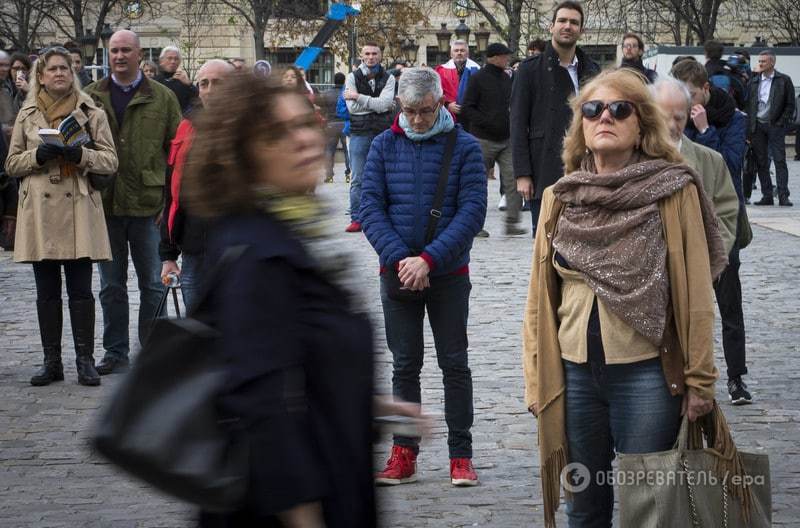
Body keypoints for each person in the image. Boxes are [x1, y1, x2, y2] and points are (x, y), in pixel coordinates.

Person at [522, 68, 726, 527]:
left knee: (648, 507)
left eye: (620, 109)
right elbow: (539, 299)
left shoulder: (673, 192)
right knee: (584, 507)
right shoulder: (561, 197)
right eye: (592, 110)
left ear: (642, 125)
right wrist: (537, 375)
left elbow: (695, 294)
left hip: (648, 375)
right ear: (581, 126)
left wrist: (700, 381)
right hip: (572, 376)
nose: (604, 118)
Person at [182, 71, 377, 528]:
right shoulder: (257, 252)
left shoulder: (295, 229)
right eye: (278, 133)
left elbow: (300, 349)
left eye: (305, 123)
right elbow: (259, 401)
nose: (305, 139)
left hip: (331, 465)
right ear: (244, 154)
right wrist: (303, 515)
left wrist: (374, 402)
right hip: (283, 504)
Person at [360, 67, 487, 488]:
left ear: (440, 104)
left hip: (448, 272)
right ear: (400, 105)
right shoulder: (382, 145)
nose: (416, 119)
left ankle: (461, 454)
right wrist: (401, 259)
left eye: (425, 111)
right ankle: (403, 452)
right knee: (404, 365)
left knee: (455, 363)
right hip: (397, 273)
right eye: (410, 111)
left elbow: (471, 212)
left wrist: (428, 260)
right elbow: (369, 208)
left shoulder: (464, 147)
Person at [4, 46, 118, 387]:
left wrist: (79, 154)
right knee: (47, 291)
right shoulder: (27, 116)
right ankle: (51, 361)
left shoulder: (91, 112)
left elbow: (110, 161)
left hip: (78, 206)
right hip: (40, 210)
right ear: (41, 76)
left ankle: (84, 360)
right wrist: (37, 155)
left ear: (73, 74)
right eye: (51, 69)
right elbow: (11, 164)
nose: (58, 74)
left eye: (64, 69)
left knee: (82, 290)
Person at [84, 30, 182, 375]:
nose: (119, 56)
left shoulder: (163, 97)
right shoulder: (91, 97)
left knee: (154, 285)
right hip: (105, 205)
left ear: (140, 54)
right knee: (111, 287)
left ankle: (155, 354)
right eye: (113, 50)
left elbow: (176, 154)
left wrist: (168, 203)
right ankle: (115, 353)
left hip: (148, 206)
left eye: (126, 50)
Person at [653, 76, 752, 405]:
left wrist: (713, 255)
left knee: (726, 313)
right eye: (664, 115)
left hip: (710, 260)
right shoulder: (638, 159)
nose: (671, 124)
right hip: (659, 267)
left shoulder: (709, 160)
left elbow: (727, 208)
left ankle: (734, 377)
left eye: (678, 117)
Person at [511, 0, 600, 236]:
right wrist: (522, 174)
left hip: (588, 169)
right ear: (551, 27)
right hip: (545, 168)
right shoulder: (530, 70)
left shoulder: (592, 70)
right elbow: (518, 124)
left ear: (581, 30)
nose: (567, 26)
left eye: (574, 22)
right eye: (562, 21)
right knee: (546, 243)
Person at [159, 59, 234, 312]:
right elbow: (172, 193)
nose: (211, 90)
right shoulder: (186, 127)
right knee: (197, 333)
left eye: (218, 83)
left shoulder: (251, 131)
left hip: (237, 249)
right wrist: (168, 254)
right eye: (204, 84)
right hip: (195, 250)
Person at [462, 42, 525, 236]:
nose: (507, 59)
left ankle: (512, 222)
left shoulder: (508, 78)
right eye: (504, 56)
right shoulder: (477, 78)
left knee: (514, 178)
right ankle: (475, 225)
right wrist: (486, 122)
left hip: (506, 139)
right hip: (482, 139)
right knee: (477, 183)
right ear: (494, 58)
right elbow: (467, 108)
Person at [343, 42, 396, 233]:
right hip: (359, 133)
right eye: (367, 53)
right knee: (358, 177)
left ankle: (384, 216)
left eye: (375, 53)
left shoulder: (389, 78)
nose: (371, 57)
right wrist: (376, 104)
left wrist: (358, 96)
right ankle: (357, 217)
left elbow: (385, 104)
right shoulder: (351, 77)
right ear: (362, 55)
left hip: (383, 132)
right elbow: (352, 109)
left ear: (380, 55)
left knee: (386, 175)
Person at [747, 50, 795, 206]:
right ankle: (767, 195)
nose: (760, 64)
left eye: (764, 61)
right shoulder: (754, 81)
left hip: (775, 125)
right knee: (761, 162)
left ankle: (783, 195)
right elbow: (749, 104)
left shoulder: (784, 80)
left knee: (780, 161)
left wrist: (781, 122)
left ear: (772, 63)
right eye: (759, 61)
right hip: (758, 126)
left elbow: (790, 104)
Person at [434, 40, 480, 128]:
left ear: (468, 54)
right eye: (456, 50)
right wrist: (447, 106)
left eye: (462, 50)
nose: (459, 53)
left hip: (471, 119)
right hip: (448, 118)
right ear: (451, 54)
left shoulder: (477, 70)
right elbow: (435, 94)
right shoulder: (441, 71)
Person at [321, 72, 350, 183]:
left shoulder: (327, 93)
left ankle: (329, 175)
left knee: (329, 150)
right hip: (345, 124)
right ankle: (349, 174)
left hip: (331, 124)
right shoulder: (346, 93)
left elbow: (323, 109)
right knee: (347, 150)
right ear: (343, 81)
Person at [704, 40, 746, 110]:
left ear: (706, 53)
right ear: (721, 54)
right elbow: (741, 95)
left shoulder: (703, 73)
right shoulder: (732, 71)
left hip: (708, 114)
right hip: (730, 112)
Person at [155, 45, 198, 113]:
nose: (173, 61)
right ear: (161, 61)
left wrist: (189, 84)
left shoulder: (183, 80)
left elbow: (197, 99)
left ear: (179, 61)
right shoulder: (155, 81)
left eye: (176, 59)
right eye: (169, 58)